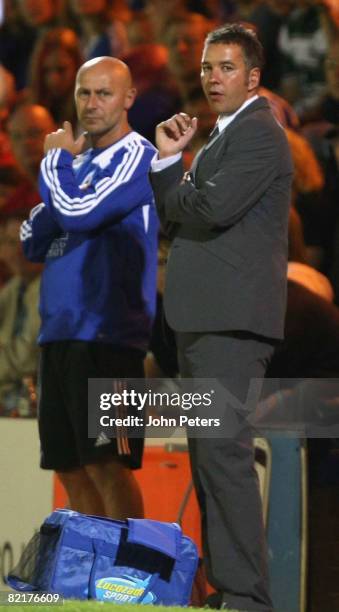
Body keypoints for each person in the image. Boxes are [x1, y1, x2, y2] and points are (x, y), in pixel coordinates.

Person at [150, 23, 293, 612]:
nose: (213, 77)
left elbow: (207, 207)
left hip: (229, 325)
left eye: (227, 67)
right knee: (211, 461)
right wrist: (177, 170)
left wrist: (170, 168)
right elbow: (188, 211)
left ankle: (245, 599)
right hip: (205, 322)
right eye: (208, 67)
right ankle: (225, 593)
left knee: (224, 460)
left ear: (253, 77)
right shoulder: (223, 137)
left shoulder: (260, 134)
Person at [20, 56, 158, 519]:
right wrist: (66, 176)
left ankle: (129, 574)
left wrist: (56, 164)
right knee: (69, 466)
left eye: (104, 93)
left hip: (109, 334)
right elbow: (32, 237)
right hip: (59, 332)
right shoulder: (77, 165)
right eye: (84, 93)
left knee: (108, 464)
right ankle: (97, 573)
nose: (92, 103)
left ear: (128, 99)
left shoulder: (138, 156)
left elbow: (78, 214)